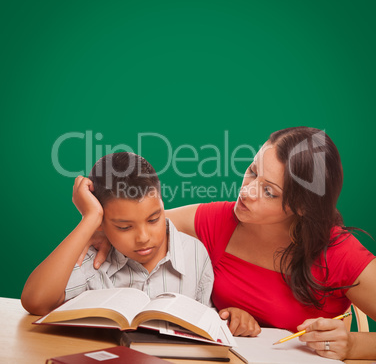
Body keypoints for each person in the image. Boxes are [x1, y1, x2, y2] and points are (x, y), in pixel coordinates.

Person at [83, 127, 376, 360]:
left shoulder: (340, 253)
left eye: (269, 192)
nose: (246, 191)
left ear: (302, 207)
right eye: (252, 170)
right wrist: (101, 226)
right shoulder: (220, 220)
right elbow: (144, 220)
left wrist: (352, 345)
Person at [21, 152, 216, 318]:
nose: (143, 237)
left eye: (153, 219)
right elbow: (35, 301)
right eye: (124, 227)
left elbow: (206, 321)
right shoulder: (94, 259)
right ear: (102, 224)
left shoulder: (195, 254)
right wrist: (90, 218)